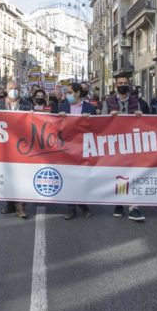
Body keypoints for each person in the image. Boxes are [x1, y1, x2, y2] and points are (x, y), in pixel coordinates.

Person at [103, 71, 146, 222]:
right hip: (115, 144)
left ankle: (134, 207)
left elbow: (145, 122)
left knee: (133, 174)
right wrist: (109, 117)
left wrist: (141, 116)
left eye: (124, 83)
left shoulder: (136, 101)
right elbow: (101, 123)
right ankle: (119, 203)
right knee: (119, 175)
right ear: (115, 85)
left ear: (129, 85)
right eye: (119, 83)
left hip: (132, 143)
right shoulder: (108, 101)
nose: (122, 86)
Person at [0, 79, 32, 218]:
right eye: (11, 88)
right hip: (4, 148)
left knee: (20, 177)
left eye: (16, 88)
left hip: (21, 148)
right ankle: (10, 204)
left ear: (20, 90)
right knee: (7, 177)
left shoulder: (27, 105)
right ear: (6, 90)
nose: (14, 90)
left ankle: (20, 206)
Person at [55, 82, 95, 219]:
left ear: (78, 93)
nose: (68, 95)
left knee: (83, 177)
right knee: (69, 177)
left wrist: (90, 120)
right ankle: (70, 208)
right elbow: (55, 127)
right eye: (67, 93)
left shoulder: (90, 108)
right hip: (68, 146)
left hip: (84, 147)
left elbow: (97, 128)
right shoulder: (63, 106)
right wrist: (59, 119)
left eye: (70, 92)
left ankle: (83, 204)